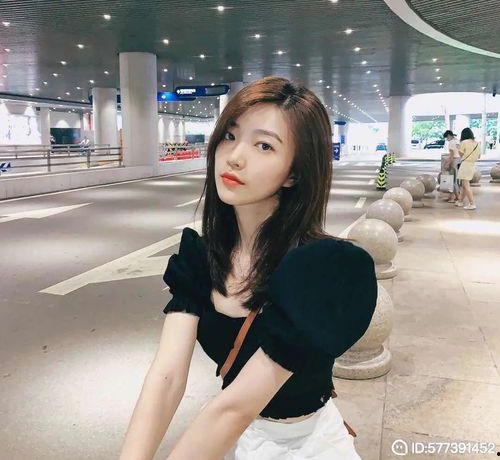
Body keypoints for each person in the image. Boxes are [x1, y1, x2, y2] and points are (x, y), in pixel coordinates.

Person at [119, 77, 378, 460]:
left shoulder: (321, 271)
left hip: (310, 445)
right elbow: (167, 376)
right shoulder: (201, 258)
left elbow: (234, 408)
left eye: (264, 145)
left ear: (294, 172)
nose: (235, 156)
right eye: (230, 136)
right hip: (239, 441)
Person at [455, 127, 481, 210]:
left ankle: (472, 203)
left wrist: (458, 148)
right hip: (472, 165)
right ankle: (460, 201)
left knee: (466, 185)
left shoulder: (464, 142)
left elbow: (461, 155)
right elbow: (479, 156)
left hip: (465, 165)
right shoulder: (477, 144)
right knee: (464, 184)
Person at [442, 130, 460, 203]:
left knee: (452, 180)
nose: (447, 139)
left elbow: (452, 155)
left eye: (447, 138)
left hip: (454, 161)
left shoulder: (451, 142)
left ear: (449, 136)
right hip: (459, 161)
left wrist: (447, 163)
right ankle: (453, 196)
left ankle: (456, 198)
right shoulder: (458, 141)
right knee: (456, 180)